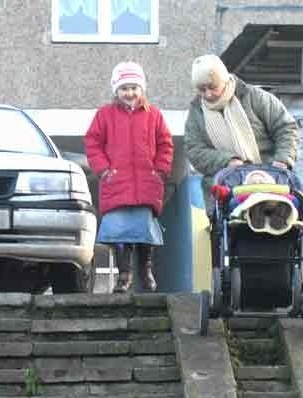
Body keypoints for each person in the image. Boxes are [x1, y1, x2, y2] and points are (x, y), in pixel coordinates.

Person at [84, 61, 174, 293]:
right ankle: (124, 275)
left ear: (142, 89)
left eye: (134, 87)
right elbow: (93, 143)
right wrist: (104, 170)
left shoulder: (154, 115)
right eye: (125, 88)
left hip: (146, 185)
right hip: (117, 185)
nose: (130, 93)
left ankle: (145, 271)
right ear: (116, 90)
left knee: (144, 234)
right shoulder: (104, 115)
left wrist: (160, 170)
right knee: (119, 234)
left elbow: (166, 144)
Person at [184, 54, 299, 213]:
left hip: (271, 180)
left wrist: (282, 159)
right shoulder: (196, 113)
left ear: (224, 80)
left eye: (212, 87)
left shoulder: (255, 97)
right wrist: (227, 160)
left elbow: (285, 127)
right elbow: (194, 150)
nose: (208, 94)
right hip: (226, 189)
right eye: (202, 89)